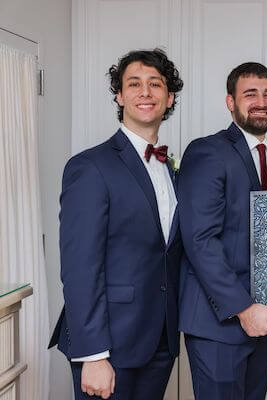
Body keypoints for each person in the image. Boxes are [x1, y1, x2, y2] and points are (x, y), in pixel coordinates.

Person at [48, 48, 184, 399]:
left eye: (155, 84)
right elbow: (80, 267)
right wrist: (93, 354)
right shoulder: (90, 166)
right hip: (108, 344)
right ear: (120, 96)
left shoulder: (170, 168)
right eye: (134, 84)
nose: (145, 92)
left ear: (169, 98)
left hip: (160, 339)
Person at [177, 62, 267, 400]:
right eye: (250, 94)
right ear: (231, 102)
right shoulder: (207, 152)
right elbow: (200, 240)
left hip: (266, 320)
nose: (261, 101)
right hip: (220, 321)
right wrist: (244, 308)